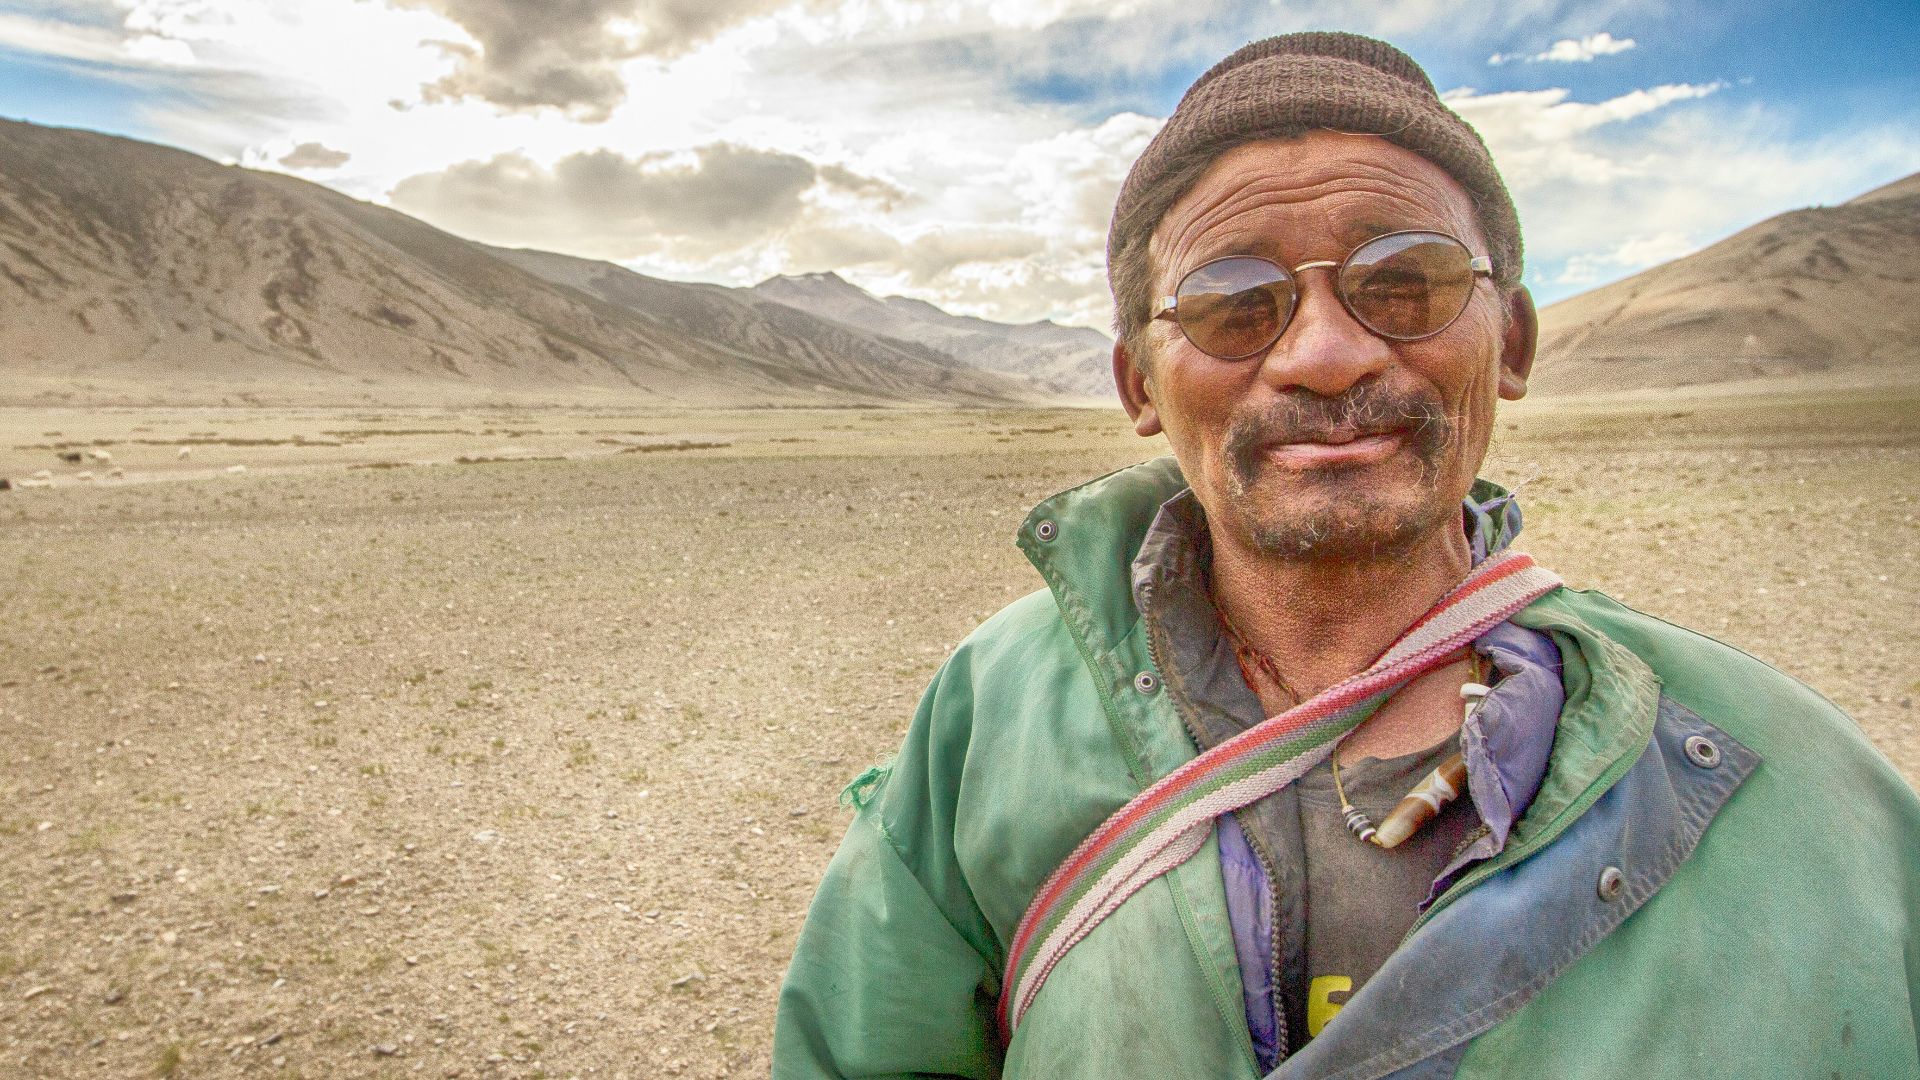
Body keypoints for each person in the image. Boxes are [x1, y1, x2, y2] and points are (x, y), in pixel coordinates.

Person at [772, 31, 1920, 1079]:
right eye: (1233, 305)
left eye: (1405, 284)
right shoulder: (993, 716)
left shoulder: (1795, 782)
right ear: (1137, 384)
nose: (1325, 354)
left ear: (1509, 341)